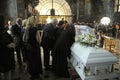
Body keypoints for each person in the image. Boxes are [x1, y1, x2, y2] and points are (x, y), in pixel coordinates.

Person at [0, 15, 16, 80]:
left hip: (4, 58)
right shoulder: (2, 33)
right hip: (4, 58)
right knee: (6, 75)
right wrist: (12, 44)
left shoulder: (3, 32)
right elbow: (10, 44)